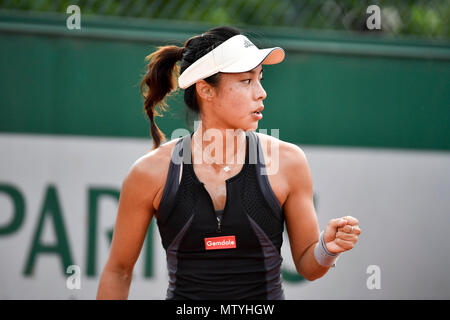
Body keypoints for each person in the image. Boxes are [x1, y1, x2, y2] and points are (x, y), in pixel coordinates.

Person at [97, 26, 361, 300]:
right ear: (206, 90)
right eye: (246, 81)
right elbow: (118, 271)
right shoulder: (149, 172)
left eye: (260, 78)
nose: (261, 93)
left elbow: (309, 266)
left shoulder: (289, 162)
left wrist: (327, 248)